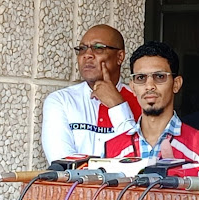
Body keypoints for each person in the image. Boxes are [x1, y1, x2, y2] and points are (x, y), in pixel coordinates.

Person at [41, 24, 141, 163]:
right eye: (82, 49)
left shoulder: (142, 100)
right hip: (76, 185)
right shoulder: (61, 100)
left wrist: (117, 106)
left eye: (98, 48)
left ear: (119, 56)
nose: (87, 55)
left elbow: (138, 160)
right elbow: (62, 164)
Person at [105, 41, 199, 161]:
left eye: (160, 77)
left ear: (176, 84)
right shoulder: (111, 149)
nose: (149, 86)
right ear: (133, 87)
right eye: (141, 78)